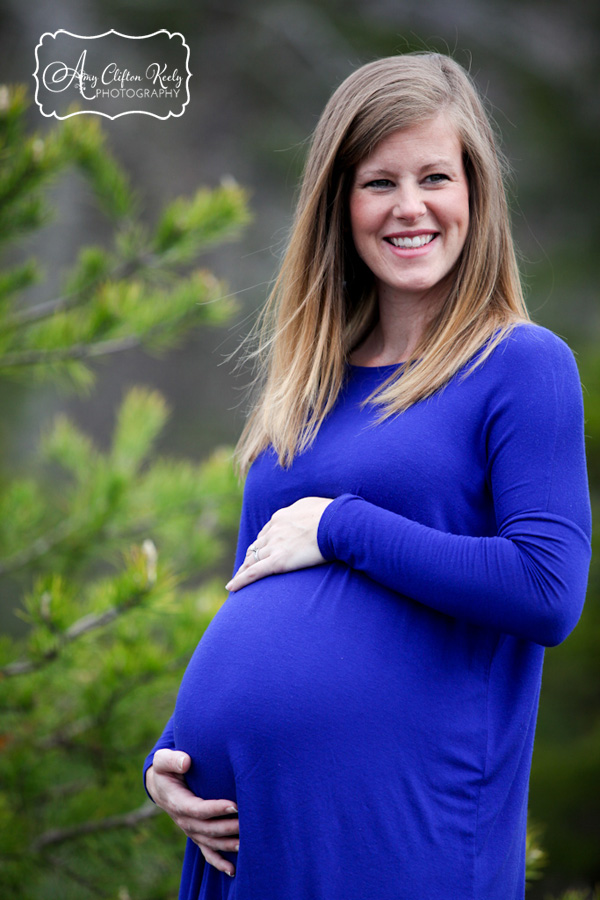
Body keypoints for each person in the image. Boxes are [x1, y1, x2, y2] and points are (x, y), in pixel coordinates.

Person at [143, 52, 591, 900]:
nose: (410, 206)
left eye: (435, 176)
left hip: (399, 839)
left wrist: (339, 525)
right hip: (245, 846)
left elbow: (546, 588)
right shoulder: (308, 385)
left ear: (475, 194)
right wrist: (170, 757)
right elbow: (254, 590)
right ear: (339, 204)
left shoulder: (521, 367)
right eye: (379, 182)